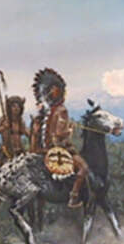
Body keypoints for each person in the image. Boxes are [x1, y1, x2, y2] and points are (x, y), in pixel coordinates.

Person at [33, 69, 88, 208]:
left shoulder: (44, 111)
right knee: (83, 168)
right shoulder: (61, 110)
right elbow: (59, 134)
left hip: (42, 150)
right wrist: (70, 130)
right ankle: (74, 196)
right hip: (58, 150)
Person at [0, 95, 30, 167]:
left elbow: (27, 132)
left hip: (19, 151)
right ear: (10, 108)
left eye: (18, 106)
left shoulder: (20, 121)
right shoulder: (4, 119)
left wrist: (31, 134)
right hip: (7, 151)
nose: (16, 108)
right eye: (14, 106)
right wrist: (4, 127)